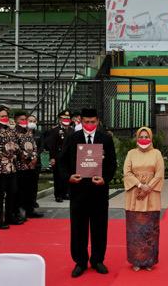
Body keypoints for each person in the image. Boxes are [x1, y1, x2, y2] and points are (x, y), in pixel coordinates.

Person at [59, 108, 117, 278]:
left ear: (97, 121)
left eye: (93, 122)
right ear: (81, 121)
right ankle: (80, 261)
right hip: (78, 191)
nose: (89, 125)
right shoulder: (73, 138)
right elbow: (62, 162)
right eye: (86, 122)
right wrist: (69, 177)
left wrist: (105, 178)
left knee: (99, 227)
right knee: (78, 228)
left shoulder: (105, 138)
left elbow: (112, 163)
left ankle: (98, 259)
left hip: (99, 191)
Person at [123, 126, 164, 271]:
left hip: (152, 194)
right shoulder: (131, 153)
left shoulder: (157, 153)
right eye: (142, 136)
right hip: (135, 194)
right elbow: (127, 173)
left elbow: (159, 174)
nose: (144, 139)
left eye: (147, 137)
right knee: (135, 229)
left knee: (150, 229)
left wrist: (148, 188)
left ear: (151, 138)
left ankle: (149, 261)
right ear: (137, 138)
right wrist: (140, 185)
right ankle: (136, 261)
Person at [13, 110, 43, 219]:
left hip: (32, 165)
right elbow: (15, 147)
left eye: (25, 119)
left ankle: (30, 209)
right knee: (21, 189)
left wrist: (34, 157)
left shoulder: (28, 131)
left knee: (31, 188)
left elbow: (34, 145)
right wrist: (25, 159)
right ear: (15, 120)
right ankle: (21, 211)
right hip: (21, 165)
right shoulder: (13, 131)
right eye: (21, 119)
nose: (24, 121)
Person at [44, 110, 74, 202]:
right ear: (60, 119)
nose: (66, 120)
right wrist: (52, 157)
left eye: (68, 118)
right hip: (58, 156)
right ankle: (58, 195)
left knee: (67, 175)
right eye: (64, 118)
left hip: (69, 157)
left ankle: (66, 193)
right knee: (58, 176)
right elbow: (51, 145)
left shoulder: (71, 130)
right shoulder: (55, 130)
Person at [27, 115, 42, 209]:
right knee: (26, 184)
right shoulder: (22, 133)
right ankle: (27, 202)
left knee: (34, 184)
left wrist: (35, 156)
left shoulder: (39, 133)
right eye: (30, 120)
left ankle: (33, 201)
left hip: (36, 161)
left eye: (34, 121)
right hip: (25, 162)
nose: (32, 122)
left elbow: (41, 146)